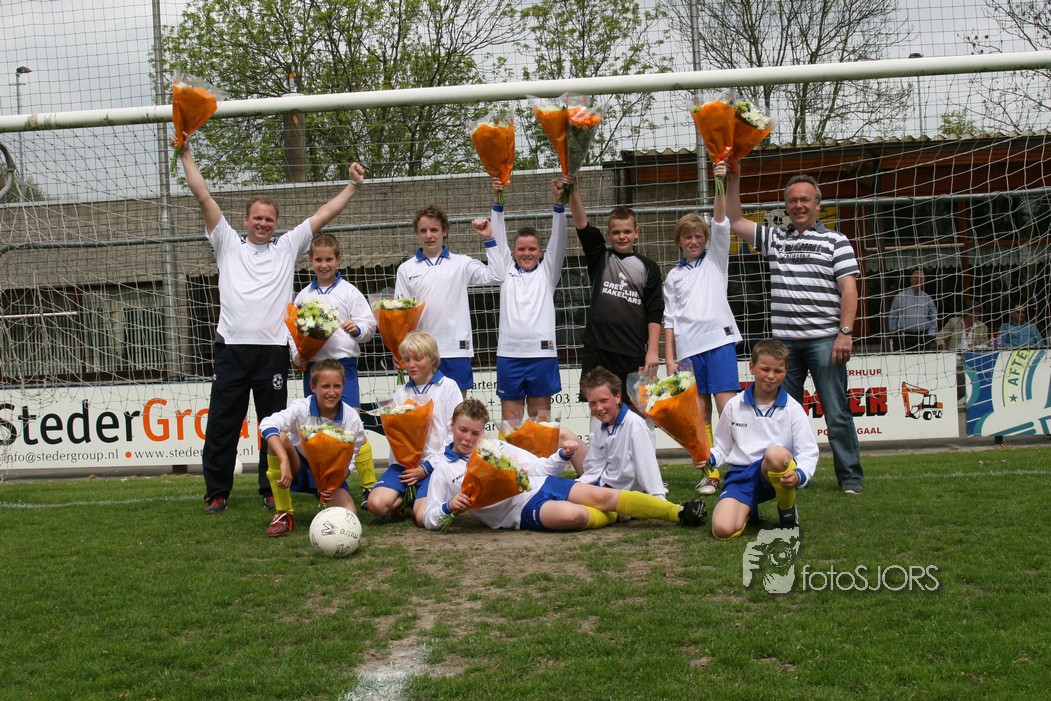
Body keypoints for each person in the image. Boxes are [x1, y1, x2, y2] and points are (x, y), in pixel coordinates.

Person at [176, 137, 366, 514]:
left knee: (273, 424)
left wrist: (352, 185)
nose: (263, 223)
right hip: (231, 349)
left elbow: (324, 214)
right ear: (246, 220)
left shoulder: (286, 247)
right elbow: (203, 196)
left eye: (269, 219)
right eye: (257, 218)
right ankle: (217, 491)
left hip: (273, 353)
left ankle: (270, 487)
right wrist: (185, 154)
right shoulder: (226, 242)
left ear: (275, 223)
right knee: (223, 423)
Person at [726, 168, 864, 495]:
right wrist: (734, 178)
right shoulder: (776, 239)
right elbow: (735, 220)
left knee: (836, 412)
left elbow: (849, 289)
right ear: (786, 206)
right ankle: (787, 474)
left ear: (818, 204)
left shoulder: (836, 241)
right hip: (784, 345)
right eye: (792, 201)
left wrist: (845, 332)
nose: (798, 205)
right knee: (782, 415)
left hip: (825, 339)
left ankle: (850, 477)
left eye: (805, 200)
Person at [422, 399, 708, 532]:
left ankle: (678, 512)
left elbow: (538, 468)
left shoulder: (495, 448)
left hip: (542, 485)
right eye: (463, 431)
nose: (468, 438)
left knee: (602, 495)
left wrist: (561, 455)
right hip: (519, 511)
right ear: (452, 427)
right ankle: (621, 515)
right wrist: (450, 507)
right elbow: (429, 518)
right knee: (574, 517)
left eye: (475, 433)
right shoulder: (443, 470)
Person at [662, 161, 742, 496]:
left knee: (729, 409)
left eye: (698, 236)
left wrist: (720, 183)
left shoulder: (715, 260)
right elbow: (669, 319)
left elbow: (721, 222)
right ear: (679, 241)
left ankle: (741, 467)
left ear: (706, 239)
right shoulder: (673, 276)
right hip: (688, 351)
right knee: (699, 415)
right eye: (687, 237)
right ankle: (710, 473)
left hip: (719, 344)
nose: (693, 241)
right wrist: (670, 359)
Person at [292, 233, 378, 508]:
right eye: (318, 259)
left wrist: (358, 329)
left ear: (339, 259)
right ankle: (326, 486)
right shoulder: (303, 296)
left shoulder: (350, 292)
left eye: (329, 259)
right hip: (315, 368)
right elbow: (293, 331)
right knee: (317, 429)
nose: (324, 264)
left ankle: (369, 487)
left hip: (344, 366)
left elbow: (369, 325)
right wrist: (297, 355)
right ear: (310, 261)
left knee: (352, 424)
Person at [394, 202, 510, 397]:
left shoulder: (461, 263)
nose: (429, 235)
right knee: (424, 410)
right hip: (421, 353)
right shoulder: (406, 269)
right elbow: (400, 316)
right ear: (417, 233)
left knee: (458, 410)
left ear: (445, 231)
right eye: (423, 231)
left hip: (456, 350)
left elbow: (497, 275)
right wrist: (399, 350)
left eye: (434, 230)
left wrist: (489, 239)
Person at [708, 340, 818, 539]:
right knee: (722, 530)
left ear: (786, 371)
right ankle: (749, 509)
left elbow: (807, 451)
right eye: (765, 369)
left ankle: (787, 512)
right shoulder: (734, 405)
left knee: (776, 454)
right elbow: (723, 448)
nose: (771, 376)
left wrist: (800, 475)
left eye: (778, 371)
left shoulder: (792, 408)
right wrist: (708, 457)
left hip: (773, 474)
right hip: (741, 476)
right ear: (752, 367)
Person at [568, 182, 664, 405]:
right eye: (617, 232)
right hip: (598, 349)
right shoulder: (600, 257)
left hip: (633, 351)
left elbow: (655, 310)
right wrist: (572, 188)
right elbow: (582, 225)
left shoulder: (649, 267)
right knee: (599, 407)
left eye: (627, 231)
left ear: (636, 233)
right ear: (609, 234)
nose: (622, 236)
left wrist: (652, 351)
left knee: (638, 410)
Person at [491, 176, 569, 425]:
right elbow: (498, 237)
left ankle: (541, 454)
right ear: (513, 252)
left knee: (540, 419)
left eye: (532, 249)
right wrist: (497, 201)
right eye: (521, 249)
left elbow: (559, 240)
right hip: (509, 355)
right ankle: (511, 455)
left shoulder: (547, 273)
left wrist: (559, 204)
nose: (527, 253)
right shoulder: (505, 270)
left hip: (541, 355)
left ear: (541, 251)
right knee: (510, 421)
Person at [258, 359, 366, 537]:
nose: (331, 392)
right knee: (280, 438)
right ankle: (284, 513)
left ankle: (326, 500)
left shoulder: (352, 418)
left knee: (349, 519)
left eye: (337, 386)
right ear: (313, 387)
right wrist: (284, 460)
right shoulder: (301, 408)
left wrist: (334, 484)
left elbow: (350, 462)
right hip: (298, 467)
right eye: (325, 386)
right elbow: (267, 423)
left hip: (331, 475)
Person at [366, 331, 463, 525]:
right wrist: (404, 463)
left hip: (435, 465)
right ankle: (406, 498)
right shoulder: (401, 392)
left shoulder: (448, 387)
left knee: (422, 518)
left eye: (418, 359)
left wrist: (426, 467)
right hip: (404, 466)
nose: (411, 365)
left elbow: (454, 435)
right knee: (375, 505)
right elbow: (397, 436)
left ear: (432, 358)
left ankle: (424, 497)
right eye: (407, 359)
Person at [577, 367, 667, 499]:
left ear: (618, 397)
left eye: (604, 401)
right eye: (593, 404)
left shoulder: (634, 424)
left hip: (618, 496)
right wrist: (579, 486)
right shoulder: (600, 429)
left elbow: (647, 466)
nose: (599, 408)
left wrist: (659, 498)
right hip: (600, 488)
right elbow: (594, 469)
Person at [936, 304, 991, 403]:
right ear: (967, 313)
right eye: (975, 312)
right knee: (951, 367)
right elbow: (940, 336)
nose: (977, 315)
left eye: (978, 312)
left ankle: (969, 396)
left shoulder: (982, 326)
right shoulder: (954, 322)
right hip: (955, 355)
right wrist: (942, 346)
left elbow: (986, 344)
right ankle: (960, 396)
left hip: (973, 356)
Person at [888, 268, 937, 351]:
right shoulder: (900, 297)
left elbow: (933, 316)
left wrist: (931, 333)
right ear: (910, 279)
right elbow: (893, 315)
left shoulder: (928, 298)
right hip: (904, 337)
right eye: (915, 277)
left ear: (924, 281)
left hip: (922, 337)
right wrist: (893, 331)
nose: (918, 280)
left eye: (920, 278)